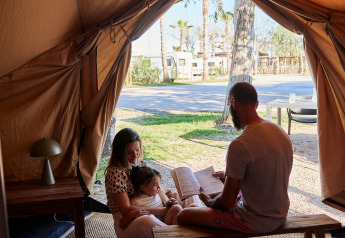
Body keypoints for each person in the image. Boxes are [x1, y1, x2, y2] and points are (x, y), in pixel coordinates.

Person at [177, 82, 293, 234]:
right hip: (280, 214)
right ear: (256, 104)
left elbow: (226, 203)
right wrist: (230, 178)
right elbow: (264, 173)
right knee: (194, 208)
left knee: (183, 215)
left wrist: (209, 202)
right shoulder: (279, 131)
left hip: (255, 220)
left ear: (234, 102)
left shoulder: (240, 145)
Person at [105, 128, 166, 238]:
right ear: (120, 152)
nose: (135, 155)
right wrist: (162, 211)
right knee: (149, 221)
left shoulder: (139, 163)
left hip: (146, 204)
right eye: (129, 152)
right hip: (126, 219)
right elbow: (125, 210)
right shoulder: (115, 172)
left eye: (137, 150)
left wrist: (167, 201)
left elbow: (155, 185)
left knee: (184, 200)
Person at [119, 166, 184, 228]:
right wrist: (132, 215)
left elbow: (162, 202)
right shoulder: (137, 202)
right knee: (176, 208)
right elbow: (122, 223)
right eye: (155, 184)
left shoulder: (153, 192)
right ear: (143, 187)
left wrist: (169, 202)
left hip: (166, 218)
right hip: (160, 225)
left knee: (192, 205)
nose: (159, 187)